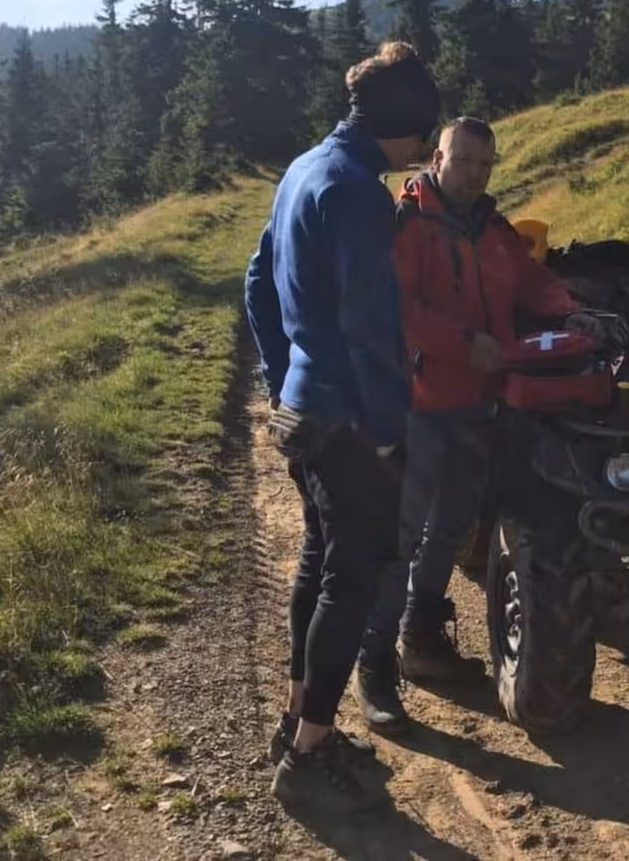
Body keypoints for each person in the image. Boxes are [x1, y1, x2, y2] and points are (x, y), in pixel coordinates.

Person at [353, 116, 599, 732]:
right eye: (462, 161)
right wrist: (464, 342)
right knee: (401, 535)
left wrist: (570, 312)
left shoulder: (491, 226)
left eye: (484, 164)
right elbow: (398, 308)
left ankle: (420, 637)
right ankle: (373, 664)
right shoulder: (409, 225)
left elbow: (531, 281)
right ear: (436, 159)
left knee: (453, 526)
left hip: (481, 402)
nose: (473, 174)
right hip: (421, 401)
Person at [244, 41, 440, 814]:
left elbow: (257, 282)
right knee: (350, 581)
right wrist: (388, 432)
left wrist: (281, 379)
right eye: (428, 126)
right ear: (410, 123)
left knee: (319, 564)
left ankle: (298, 721)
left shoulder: (303, 169)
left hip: (306, 408)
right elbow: (368, 328)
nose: (429, 141)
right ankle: (309, 756)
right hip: (351, 419)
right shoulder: (359, 192)